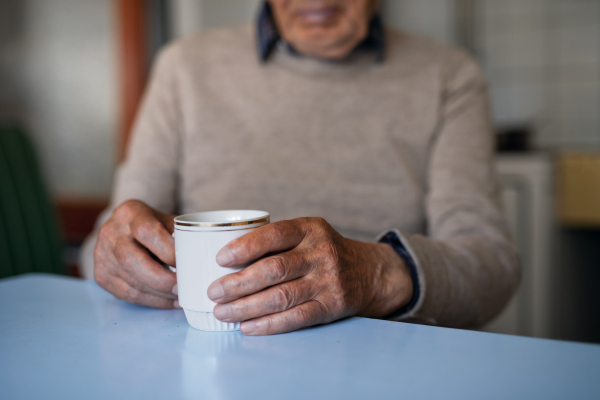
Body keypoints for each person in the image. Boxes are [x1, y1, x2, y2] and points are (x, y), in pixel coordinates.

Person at [82, 0, 520, 336]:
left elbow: (492, 266)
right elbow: (106, 243)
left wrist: (375, 275)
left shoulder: (449, 75)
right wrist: (115, 252)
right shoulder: (182, 67)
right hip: (205, 355)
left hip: (382, 359)